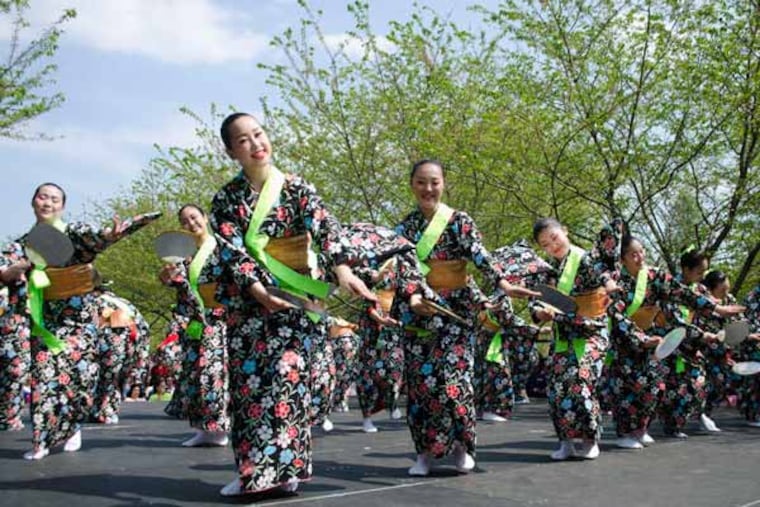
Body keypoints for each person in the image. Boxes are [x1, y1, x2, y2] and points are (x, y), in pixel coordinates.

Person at [209, 112, 375, 496]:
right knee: (251, 390)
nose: (255, 144)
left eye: (258, 134)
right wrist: (255, 288)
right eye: (243, 140)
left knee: (288, 383)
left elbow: (326, 229)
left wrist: (344, 270)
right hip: (250, 305)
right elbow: (231, 248)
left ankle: (287, 472)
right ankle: (253, 473)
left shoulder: (298, 189)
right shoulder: (226, 199)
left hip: (296, 302)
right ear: (232, 151)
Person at [395, 159, 536, 476]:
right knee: (422, 386)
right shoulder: (403, 228)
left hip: (456, 312)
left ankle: (462, 447)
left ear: (443, 183)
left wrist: (502, 282)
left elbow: (479, 255)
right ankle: (425, 453)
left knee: (455, 382)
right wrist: (413, 296)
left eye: (434, 182)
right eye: (421, 182)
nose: (428, 189)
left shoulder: (459, 221)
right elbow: (404, 268)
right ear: (412, 184)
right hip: (420, 313)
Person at [0, 183, 150, 459]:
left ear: (62, 206)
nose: (48, 203)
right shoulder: (20, 244)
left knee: (78, 375)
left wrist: (109, 234)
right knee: (44, 375)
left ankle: (71, 427)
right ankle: (43, 439)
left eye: (54, 199)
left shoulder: (74, 233)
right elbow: (5, 272)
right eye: (42, 197)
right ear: (33, 202)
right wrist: (20, 268)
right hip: (44, 320)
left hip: (78, 319)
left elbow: (94, 238)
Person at [606, 236, 739, 449]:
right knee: (626, 389)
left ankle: (641, 428)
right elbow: (616, 315)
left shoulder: (655, 275)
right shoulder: (614, 281)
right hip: (626, 340)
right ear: (622, 259)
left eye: (642, 251)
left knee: (655, 386)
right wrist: (641, 339)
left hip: (654, 339)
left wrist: (716, 308)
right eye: (633, 254)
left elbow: (682, 293)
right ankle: (624, 433)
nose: (640, 257)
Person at [530, 217, 619, 461]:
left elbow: (603, 274)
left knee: (581, 380)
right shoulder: (547, 270)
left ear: (565, 231)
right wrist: (540, 312)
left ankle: (590, 439)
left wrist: (610, 284)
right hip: (563, 334)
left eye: (554, 238)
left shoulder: (586, 259)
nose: (552, 246)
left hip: (591, 332)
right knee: (558, 389)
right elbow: (537, 300)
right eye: (546, 244)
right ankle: (566, 442)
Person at [159, 204, 230, 447]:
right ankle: (202, 428)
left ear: (205, 218)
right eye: (185, 221)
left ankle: (218, 427)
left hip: (218, 319)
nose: (191, 224)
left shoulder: (221, 246)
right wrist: (167, 277)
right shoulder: (184, 254)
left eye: (194, 217)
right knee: (192, 374)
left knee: (212, 374)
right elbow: (176, 283)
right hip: (194, 322)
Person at [655, 248, 744, 438]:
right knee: (672, 388)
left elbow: (711, 310)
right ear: (686, 269)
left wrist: (724, 318)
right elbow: (675, 321)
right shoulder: (669, 286)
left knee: (698, 384)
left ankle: (690, 418)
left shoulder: (701, 290)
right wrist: (702, 335)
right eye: (699, 272)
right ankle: (670, 425)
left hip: (694, 346)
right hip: (671, 344)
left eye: (704, 272)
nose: (702, 276)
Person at [692, 270, 741, 432]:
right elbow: (698, 322)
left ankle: (706, 413)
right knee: (705, 382)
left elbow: (738, 322)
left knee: (722, 382)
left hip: (725, 349)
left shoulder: (730, 299)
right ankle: (701, 414)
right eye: (725, 281)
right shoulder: (705, 300)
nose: (727, 284)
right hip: (705, 348)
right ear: (716, 284)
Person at [739, 284, 760, 427]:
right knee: (754, 381)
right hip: (754, 343)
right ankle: (752, 414)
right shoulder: (752, 297)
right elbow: (747, 323)